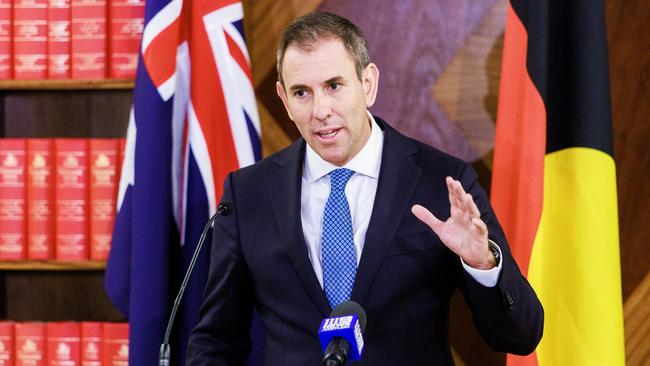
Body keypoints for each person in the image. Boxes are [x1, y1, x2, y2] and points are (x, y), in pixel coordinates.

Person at [187, 11, 543, 365]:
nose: (320, 110)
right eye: (301, 93)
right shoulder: (249, 193)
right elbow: (217, 340)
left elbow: (520, 336)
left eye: (334, 86)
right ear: (283, 98)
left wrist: (482, 262)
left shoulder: (441, 183)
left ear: (368, 83)